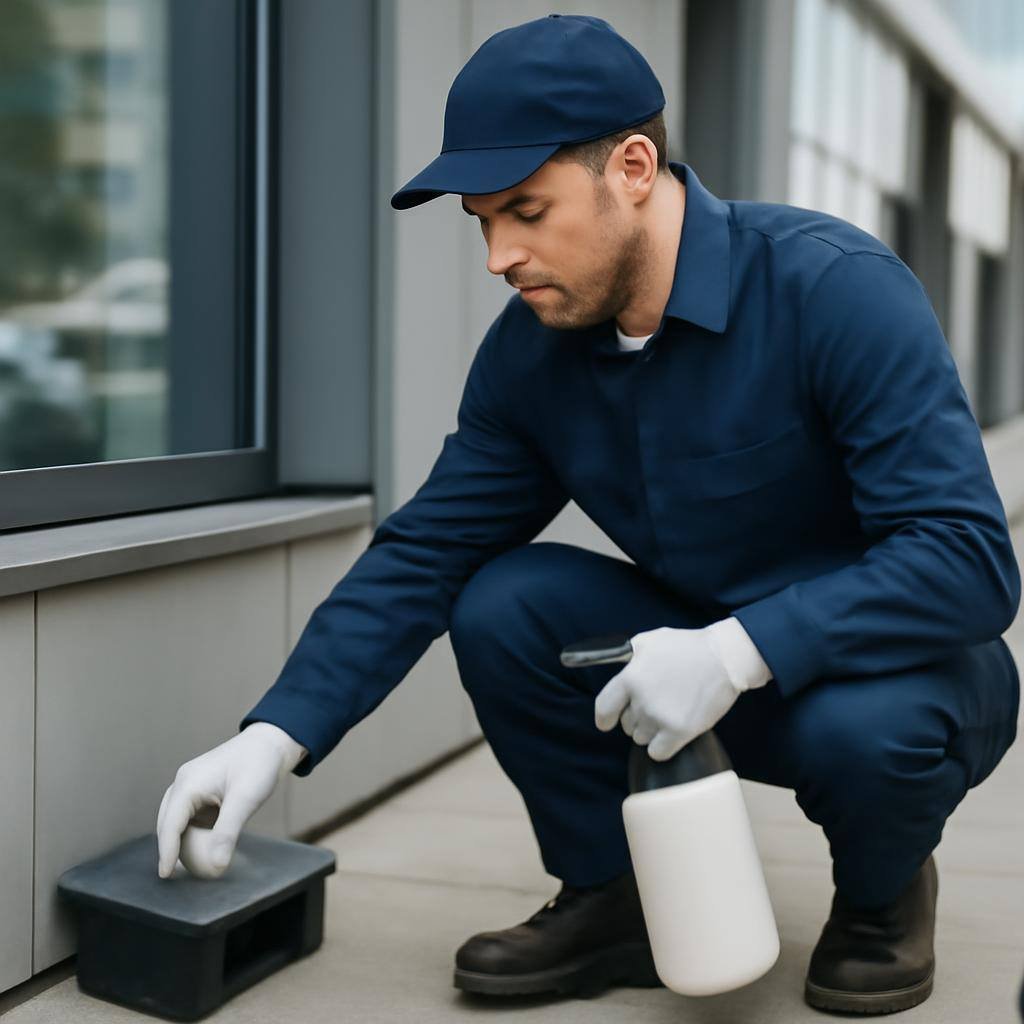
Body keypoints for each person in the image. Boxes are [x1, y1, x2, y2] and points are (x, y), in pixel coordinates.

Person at [155, 14, 1021, 1015]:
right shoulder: (532, 355)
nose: (499, 256)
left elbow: (966, 560)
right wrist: (274, 734)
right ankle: (613, 898)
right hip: (686, 659)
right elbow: (427, 550)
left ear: (634, 168)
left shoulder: (834, 290)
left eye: (526, 211)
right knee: (503, 600)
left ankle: (880, 897)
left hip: (888, 672)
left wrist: (736, 651)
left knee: (863, 733)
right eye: (483, 221)